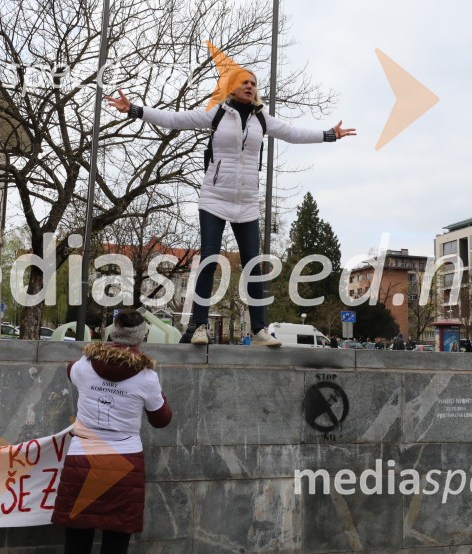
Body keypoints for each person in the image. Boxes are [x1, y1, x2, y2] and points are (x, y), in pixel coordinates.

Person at [107, 70, 355, 348]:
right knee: (209, 260)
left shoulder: (262, 118)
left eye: (253, 84)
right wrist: (135, 110)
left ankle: (260, 329)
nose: (250, 87)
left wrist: (328, 134)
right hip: (214, 198)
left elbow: (292, 133)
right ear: (232, 88)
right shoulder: (216, 114)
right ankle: (199, 326)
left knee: (254, 267)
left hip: (247, 203)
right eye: (244, 83)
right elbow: (175, 119)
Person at [52, 309, 172, 553]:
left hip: (82, 458)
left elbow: (69, 370)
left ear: (112, 332)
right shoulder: (147, 377)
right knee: (116, 540)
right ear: (140, 338)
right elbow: (161, 419)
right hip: (124, 462)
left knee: (77, 538)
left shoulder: (84, 366)